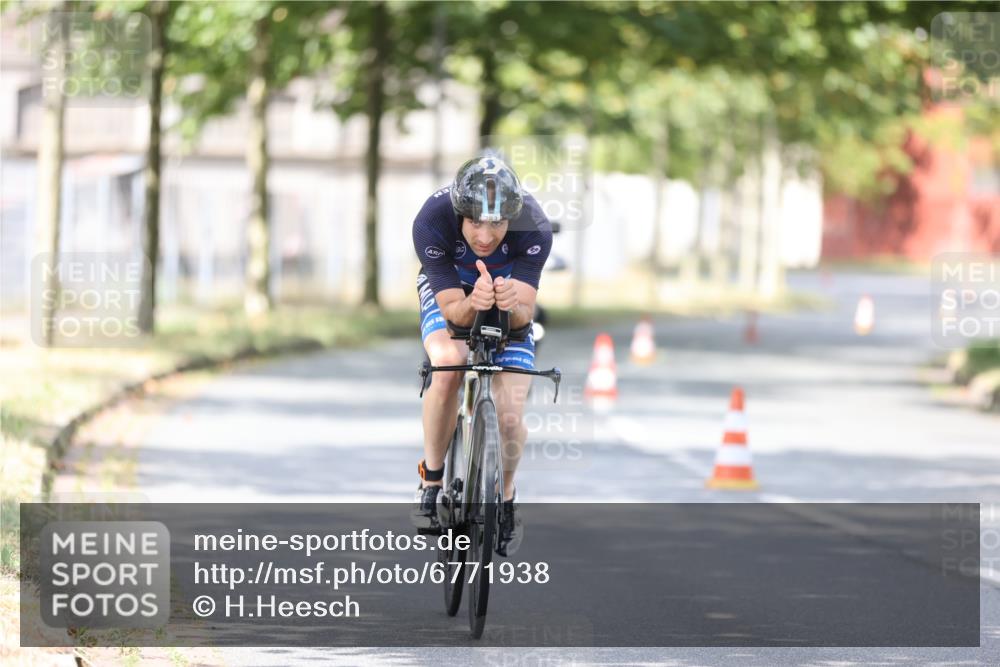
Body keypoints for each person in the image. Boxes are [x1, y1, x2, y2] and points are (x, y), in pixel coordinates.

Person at [410, 153, 552, 556]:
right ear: (460, 213)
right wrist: (473, 303)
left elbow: (523, 318)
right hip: (453, 288)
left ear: (513, 217)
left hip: (508, 292)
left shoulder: (534, 225)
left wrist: (511, 305)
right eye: (474, 222)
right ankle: (431, 482)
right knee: (448, 364)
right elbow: (453, 312)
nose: (486, 236)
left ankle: (505, 499)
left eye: (497, 223)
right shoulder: (432, 220)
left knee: (509, 415)